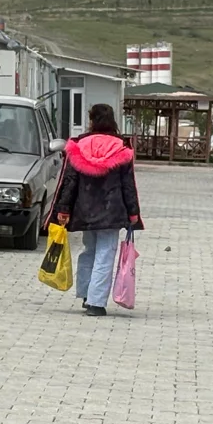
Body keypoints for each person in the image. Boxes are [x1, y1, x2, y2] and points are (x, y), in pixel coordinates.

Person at [53, 103, 143, 317]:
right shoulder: (121, 148)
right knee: (105, 253)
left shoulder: (78, 145)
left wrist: (64, 208)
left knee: (89, 251)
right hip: (112, 211)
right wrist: (133, 212)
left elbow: (69, 181)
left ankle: (86, 294)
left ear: (92, 120)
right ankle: (96, 303)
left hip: (85, 210)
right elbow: (128, 185)